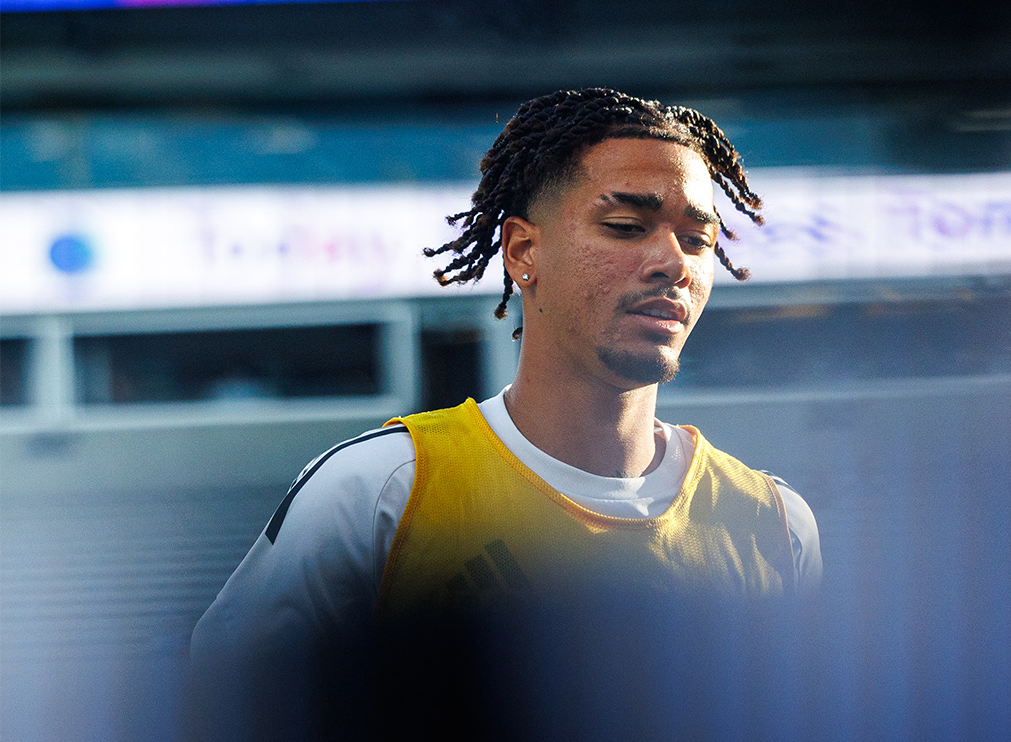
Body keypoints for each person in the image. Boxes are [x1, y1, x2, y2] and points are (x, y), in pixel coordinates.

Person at [191, 87, 820, 662]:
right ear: (523, 251)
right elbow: (227, 713)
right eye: (626, 228)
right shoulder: (378, 493)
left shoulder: (774, 522)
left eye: (698, 240)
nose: (673, 263)